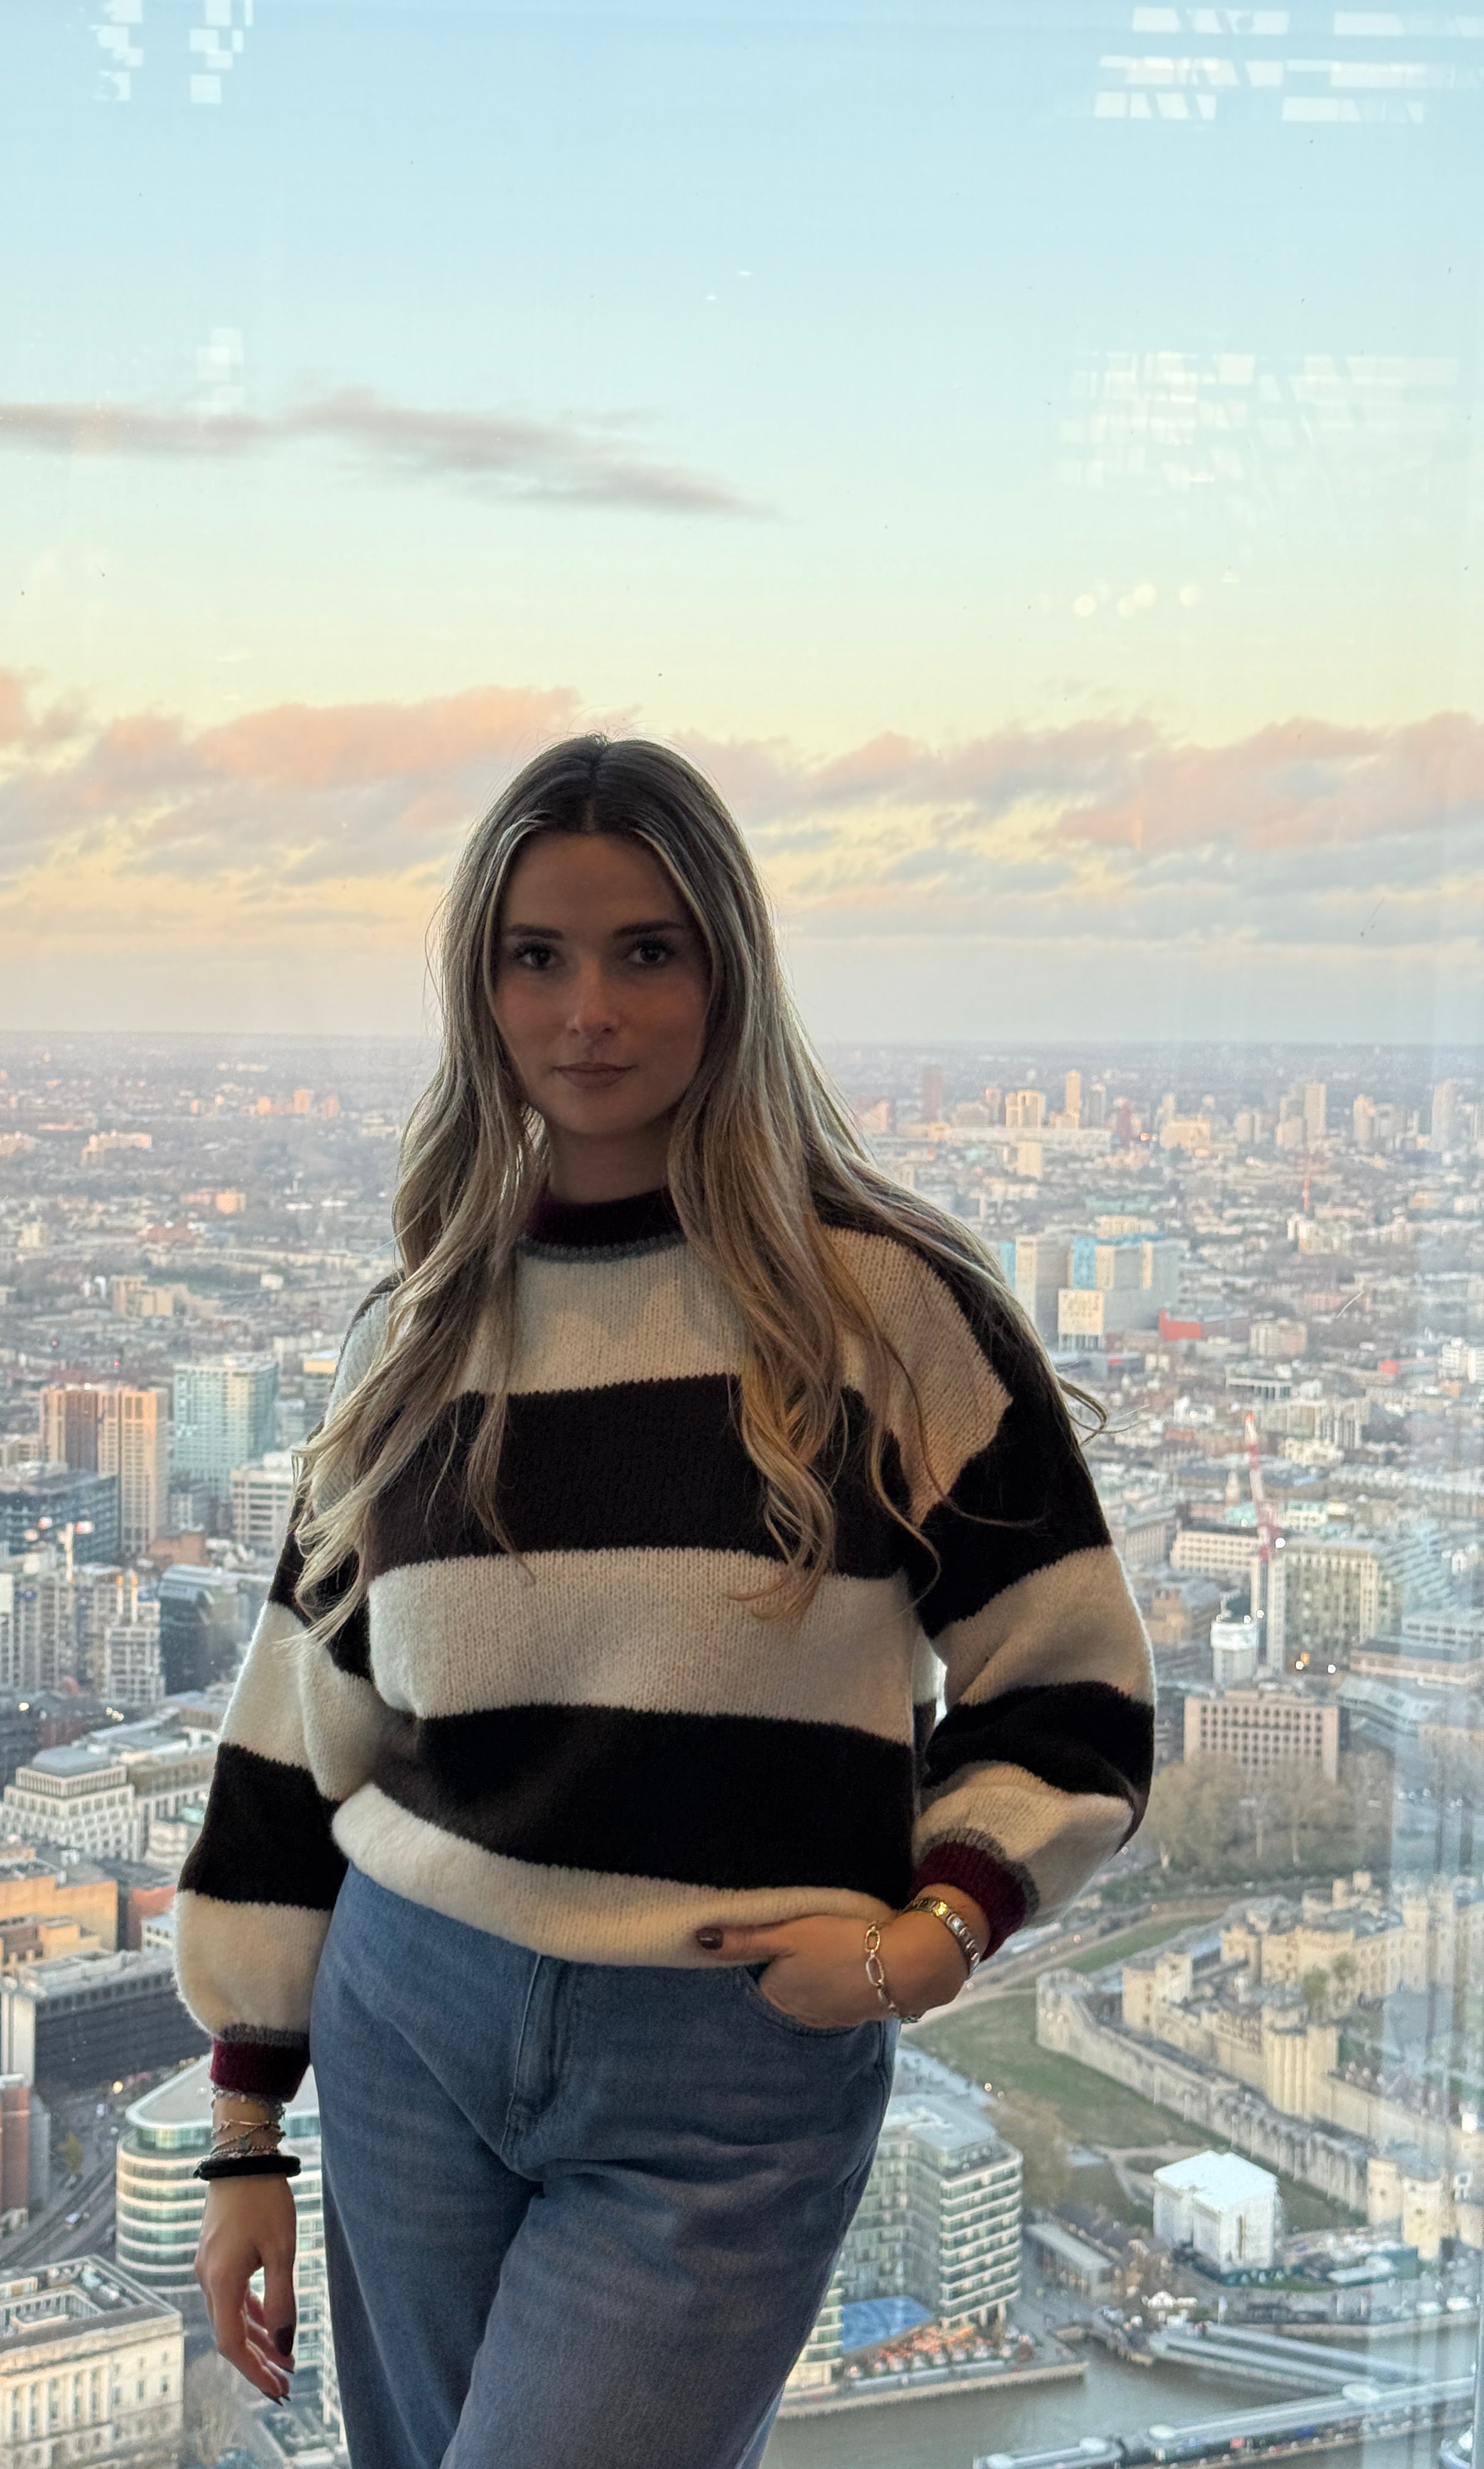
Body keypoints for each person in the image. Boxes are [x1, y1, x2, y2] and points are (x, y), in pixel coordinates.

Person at [174, 735, 1156, 2469]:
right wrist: (246, 2131)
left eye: (647, 952)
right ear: (479, 991)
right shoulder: (418, 1333)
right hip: (410, 2024)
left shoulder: (889, 1311)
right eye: (535, 957)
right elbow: (298, 1727)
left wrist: (928, 1942)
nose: (589, 1014)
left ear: (731, 974)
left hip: (726, 2066)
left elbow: (1068, 1684)